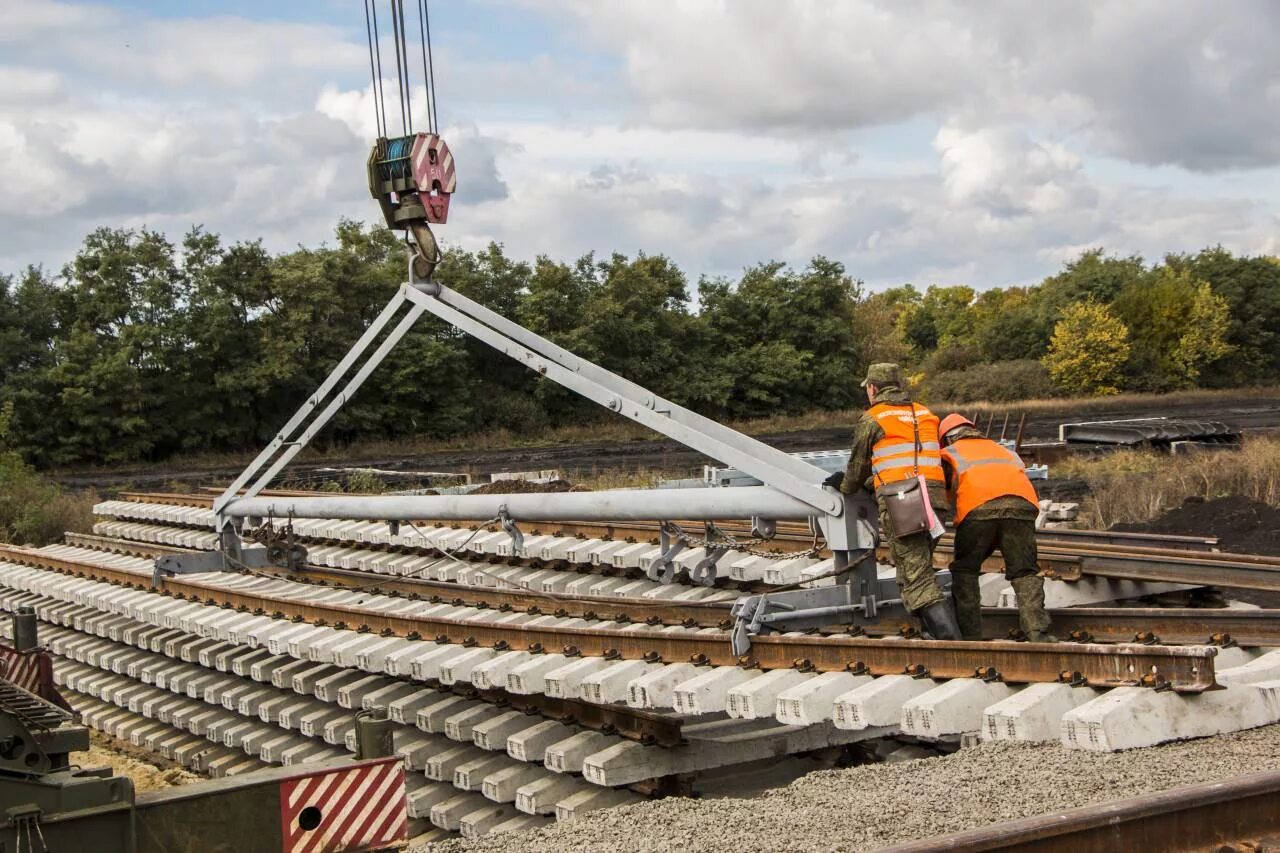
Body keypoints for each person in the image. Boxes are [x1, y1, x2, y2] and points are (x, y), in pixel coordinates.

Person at [825, 363, 961, 640]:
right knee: (919, 568)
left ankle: (953, 645)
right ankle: (935, 636)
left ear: (873, 388)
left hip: (904, 502)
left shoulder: (873, 417)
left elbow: (858, 466)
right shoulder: (924, 413)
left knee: (916, 577)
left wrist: (846, 485)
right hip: (934, 499)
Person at [937, 414, 1055, 642]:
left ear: (947, 439)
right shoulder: (1004, 451)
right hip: (1021, 508)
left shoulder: (949, 453)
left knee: (965, 570)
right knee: (1025, 571)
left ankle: (971, 636)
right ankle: (1037, 632)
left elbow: (943, 494)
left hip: (978, 510)